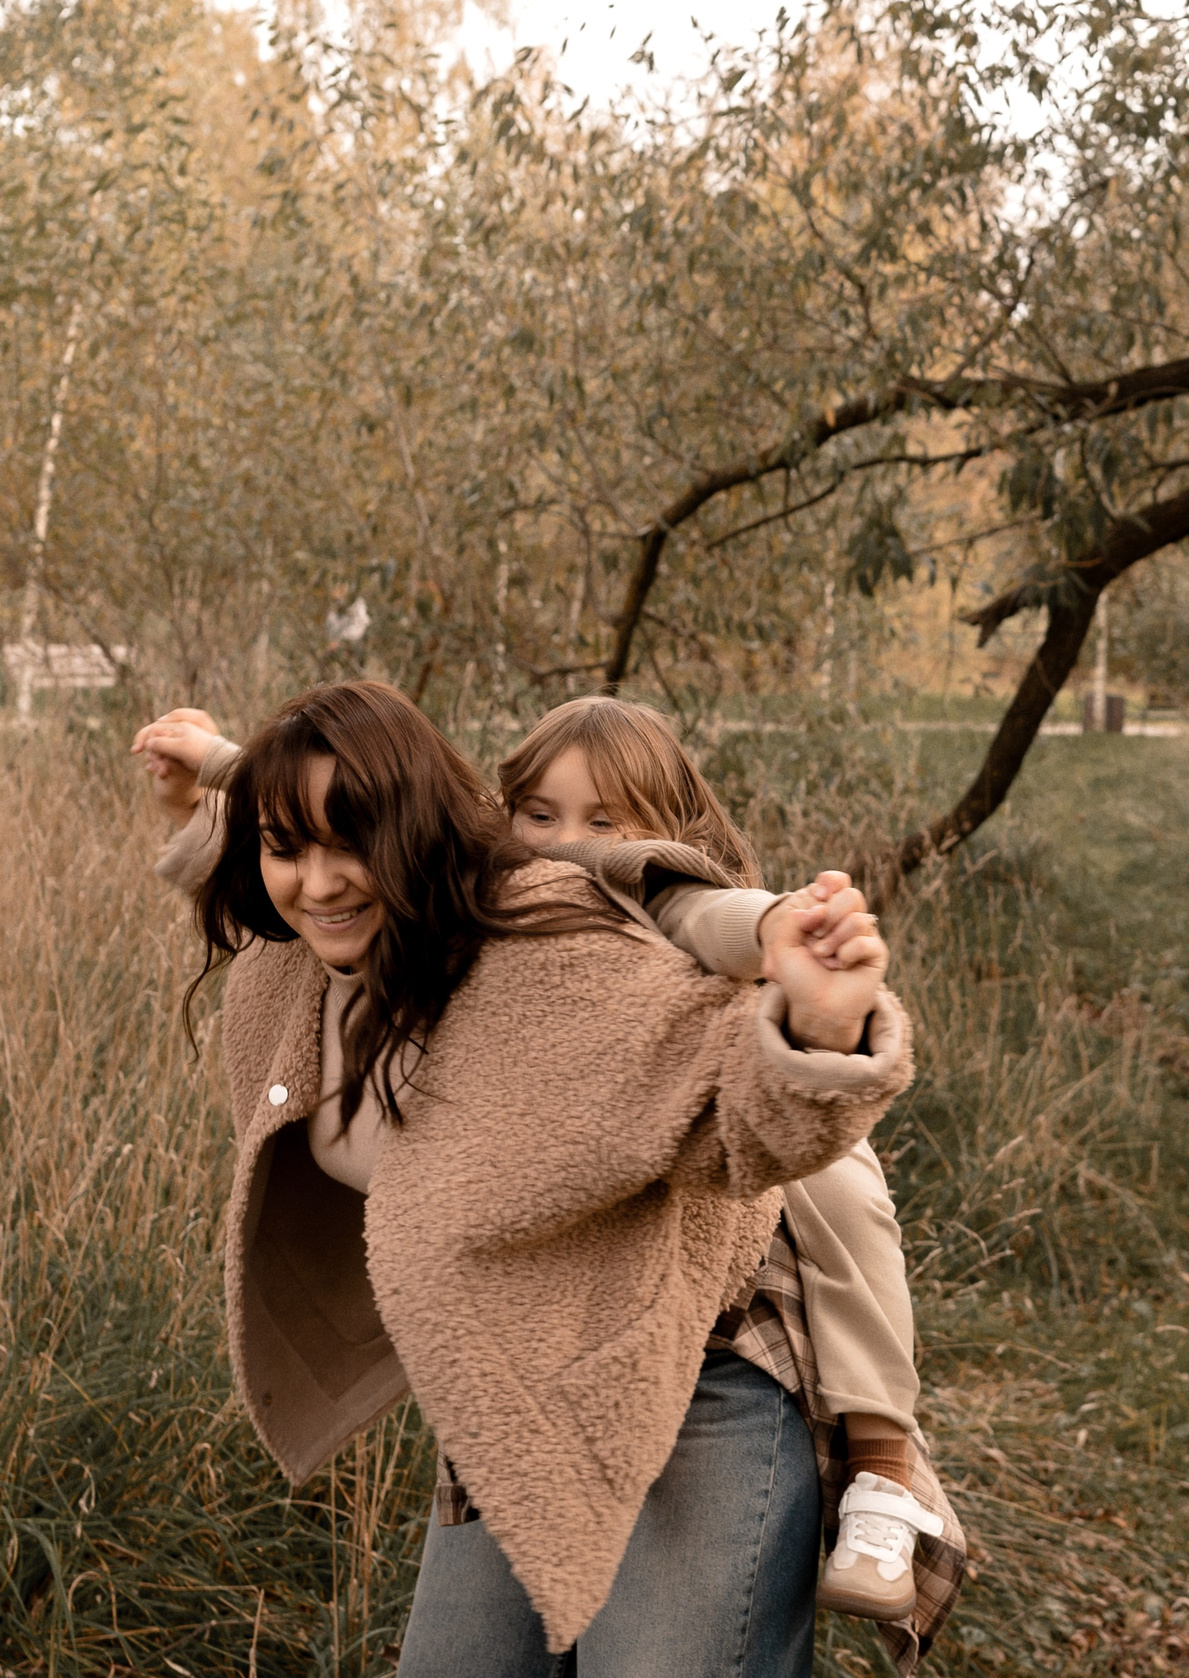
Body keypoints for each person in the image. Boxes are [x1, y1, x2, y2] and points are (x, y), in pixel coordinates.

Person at [134, 681, 911, 1676]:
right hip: (523, 1362)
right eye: (289, 850)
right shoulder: (292, 962)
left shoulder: (544, 959)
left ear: (418, 836)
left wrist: (821, 1021)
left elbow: (732, 1114)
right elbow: (277, 814)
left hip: (703, 1354)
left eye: (353, 845)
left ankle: (893, 1473)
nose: (320, 883)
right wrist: (200, 767)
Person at [494, 696, 950, 1623]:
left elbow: (713, 913)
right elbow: (362, 799)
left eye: (603, 820)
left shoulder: (656, 892)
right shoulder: (493, 892)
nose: (567, 844)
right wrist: (216, 770)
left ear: (662, 835)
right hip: (577, 1258)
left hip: (732, 1125)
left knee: (848, 1193)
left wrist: (779, 923)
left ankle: (884, 1477)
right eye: (540, 815)